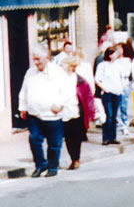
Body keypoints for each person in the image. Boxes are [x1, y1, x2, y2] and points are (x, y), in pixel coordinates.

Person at [18, 45, 69, 177]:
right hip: (34, 113)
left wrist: (60, 105)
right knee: (34, 139)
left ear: (47, 58)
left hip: (52, 114)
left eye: (38, 59)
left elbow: (67, 91)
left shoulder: (57, 72)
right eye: (34, 59)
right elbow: (24, 90)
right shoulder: (30, 72)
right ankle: (40, 165)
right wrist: (23, 107)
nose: (36, 62)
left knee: (54, 143)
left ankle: (53, 166)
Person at [60, 56, 95, 170]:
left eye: (63, 65)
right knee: (68, 137)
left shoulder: (80, 80)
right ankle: (73, 158)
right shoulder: (60, 79)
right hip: (64, 110)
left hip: (77, 110)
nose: (61, 67)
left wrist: (91, 112)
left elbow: (88, 97)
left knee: (76, 137)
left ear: (70, 67)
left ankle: (76, 159)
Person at [94, 46, 126, 145]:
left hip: (117, 92)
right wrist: (105, 89)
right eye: (115, 53)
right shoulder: (102, 65)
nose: (117, 55)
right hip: (108, 93)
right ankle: (106, 137)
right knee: (109, 115)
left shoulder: (118, 65)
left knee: (115, 115)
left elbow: (122, 77)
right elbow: (97, 79)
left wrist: (122, 87)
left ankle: (113, 137)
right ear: (110, 55)